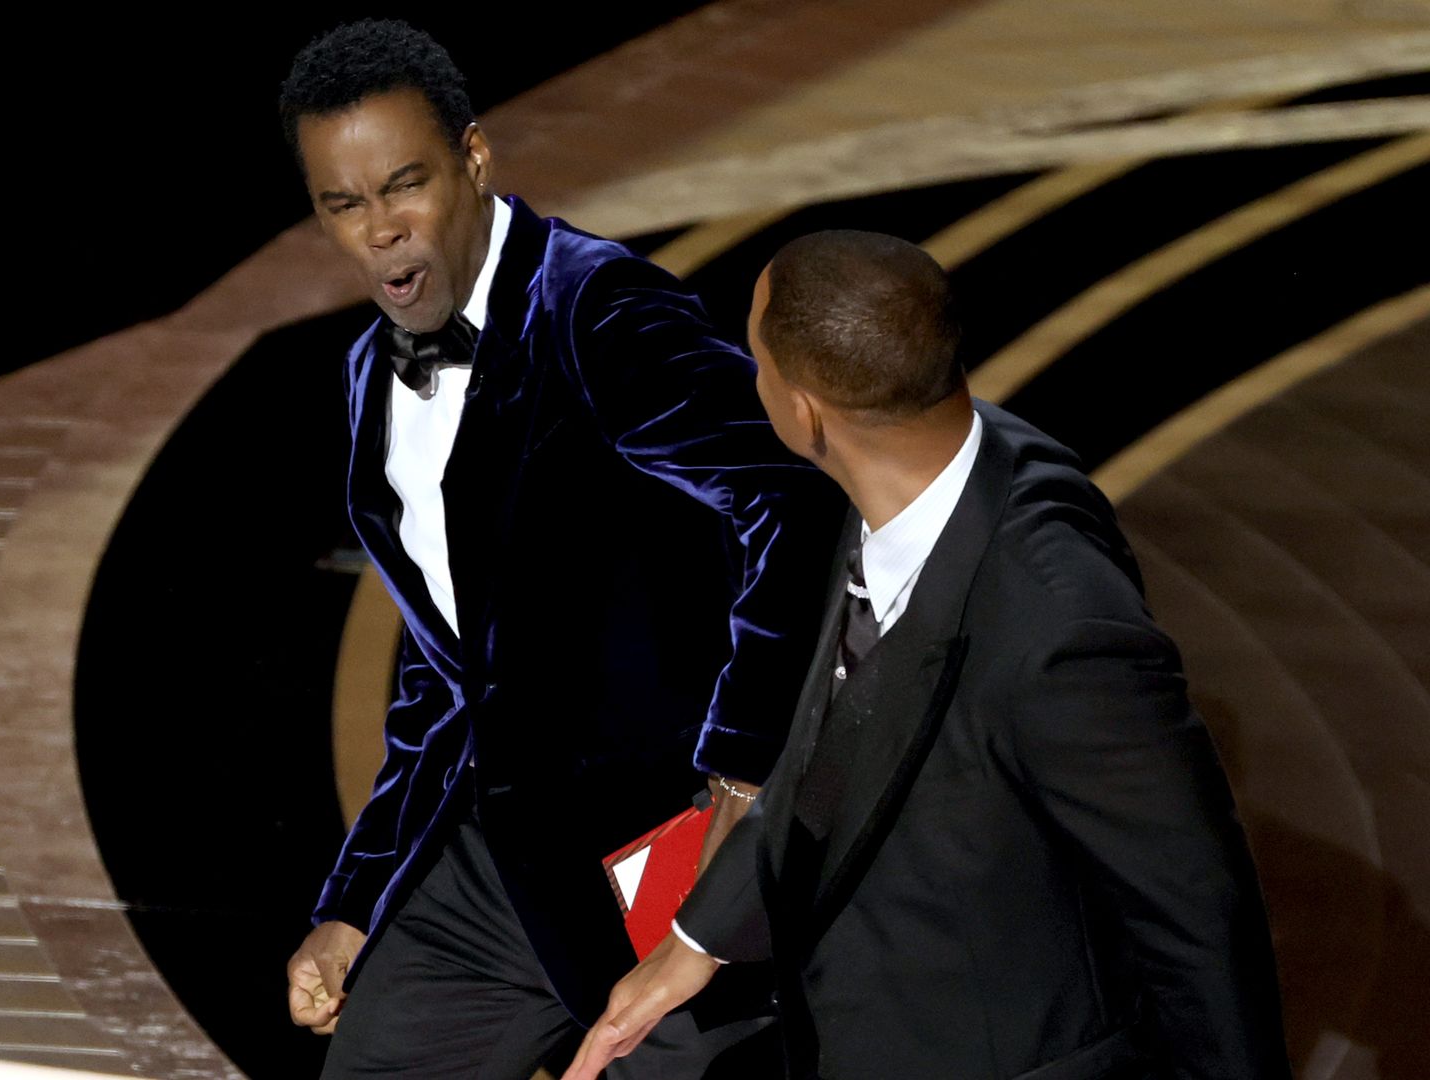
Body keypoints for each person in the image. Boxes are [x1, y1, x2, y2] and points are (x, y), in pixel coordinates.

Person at [564, 231, 1292, 1079]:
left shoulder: (1064, 636)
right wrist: (697, 939)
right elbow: (838, 741)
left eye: (754, 356)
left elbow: (1199, 919)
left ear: (803, 413)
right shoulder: (925, 464)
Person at [277, 20, 840, 1079]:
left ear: (476, 159)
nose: (383, 231)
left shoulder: (600, 311)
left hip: (667, 863)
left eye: (406, 186)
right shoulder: (366, 377)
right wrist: (358, 901)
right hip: (505, 864)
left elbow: (798, 503)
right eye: (343, 205)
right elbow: (452, 673)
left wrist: (738, 783)